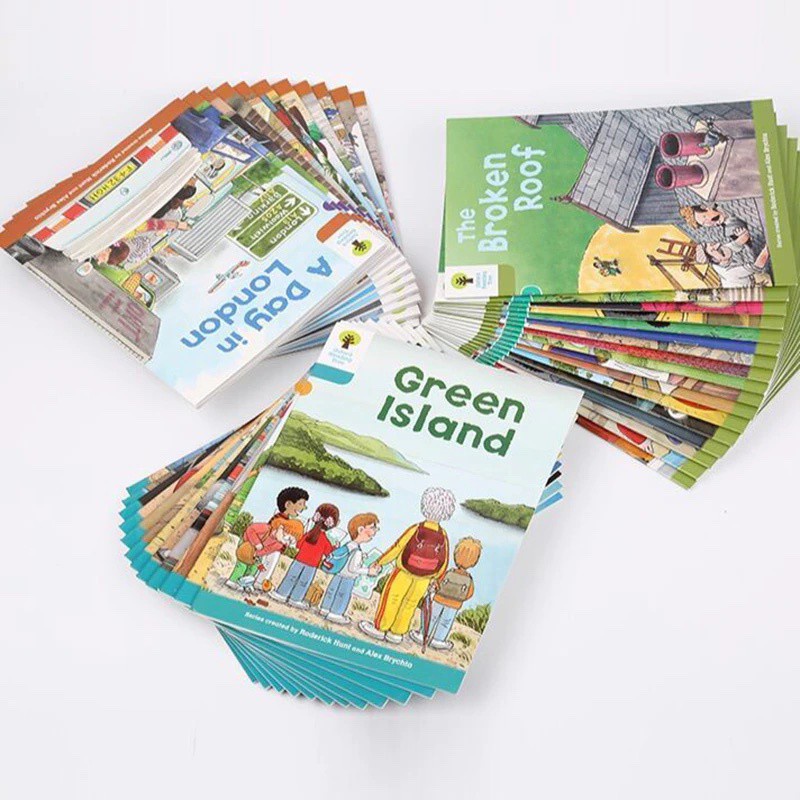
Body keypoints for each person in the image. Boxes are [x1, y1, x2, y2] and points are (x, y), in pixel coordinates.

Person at [358, 487, 455, 645]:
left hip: (404, 572)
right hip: (424, 579)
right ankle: (397, 633)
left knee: (392, 598)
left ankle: (380, 628)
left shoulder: (417, 528)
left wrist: (380, 561)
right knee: (410, 604)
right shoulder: (443, 535)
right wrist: (436, 578)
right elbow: (444, 560)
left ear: (426, 505)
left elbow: (398, 547)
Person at [225, 487, 308, 592]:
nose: (304, 507)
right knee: (242, 564)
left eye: (290, 540)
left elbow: (267, 550)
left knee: (254, 568)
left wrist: (258, 555)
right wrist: (257, 543)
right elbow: (251, 529)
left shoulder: (279, 543)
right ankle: (233, 580)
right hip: (248, 544)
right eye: (300, 504)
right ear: (288, 504)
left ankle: (244, 583)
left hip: (258, 552)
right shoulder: (269, 527)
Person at [410, 537, 482, 651]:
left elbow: (438, 582)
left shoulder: (449, 572)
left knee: (432, 617)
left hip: (439, 599)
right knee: (446, 622)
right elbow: (470, 593)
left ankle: (423, 634)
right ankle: (438, 640)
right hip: (454, 605)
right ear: (474, 561)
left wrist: (435, 587)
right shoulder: (469, 579)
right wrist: (460, 599)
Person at [270, 503, 339, 609]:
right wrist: (335, 547)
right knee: (303, 583)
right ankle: (296, 599)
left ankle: (281, 594)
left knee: (291, 577)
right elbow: (328, 552)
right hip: (312, 565)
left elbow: (298, 544)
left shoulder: (309, 534)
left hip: (299, 560)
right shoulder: (324, 540)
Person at [318, 513, 380, 625]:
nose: (375, 531)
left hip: (339, 574)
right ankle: (336, 614)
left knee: (332, 591)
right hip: (348, 578)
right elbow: (353, 569)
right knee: (342, 595)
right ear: (360, 530)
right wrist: (368, 571)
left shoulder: (348, 544)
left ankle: (325, 609)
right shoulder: (357, 551)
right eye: (372, 527)